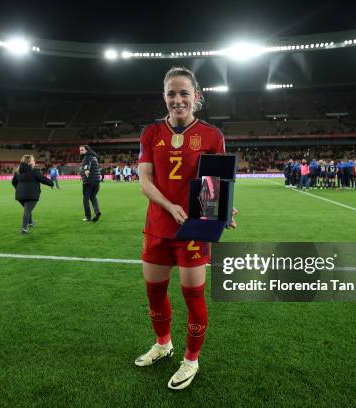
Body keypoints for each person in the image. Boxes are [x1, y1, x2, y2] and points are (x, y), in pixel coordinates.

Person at [135, 66, 238, 391]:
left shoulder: (211, 135)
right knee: (155, 294)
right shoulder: (151, 133)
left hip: (195, 228)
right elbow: (145, 181)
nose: (177, 99)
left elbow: (216, 181)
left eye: (183, 93)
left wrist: (223, 210)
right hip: (157, 226)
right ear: (164, 97)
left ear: (196, 96)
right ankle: (163, 344)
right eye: (171, 93)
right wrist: (169, 206)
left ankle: (191, 359)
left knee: (193, 298)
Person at [11, 154, 54, 234]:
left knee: (27, 209)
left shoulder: (18, 171)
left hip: (20, 195)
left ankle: (30, 223)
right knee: (27, 210)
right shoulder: (34, 171)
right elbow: (43, 179)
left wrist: (19, 189)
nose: (34, 161)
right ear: (29, 162)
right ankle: (23, 229)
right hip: (32, 194)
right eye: (33, 160)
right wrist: (51, 183)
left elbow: (13, 182)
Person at [79, 145, 102, 222]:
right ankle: (97, 211)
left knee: (85, 199)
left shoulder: (87, 157)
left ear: (86, 150)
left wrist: (86, 175)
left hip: (89, 182)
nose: (80, 152)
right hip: (97, 181)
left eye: (82, 150)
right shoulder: (94, 157)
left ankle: (88, 217)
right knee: (93, 197)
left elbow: (87, 169)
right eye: (80, 150)